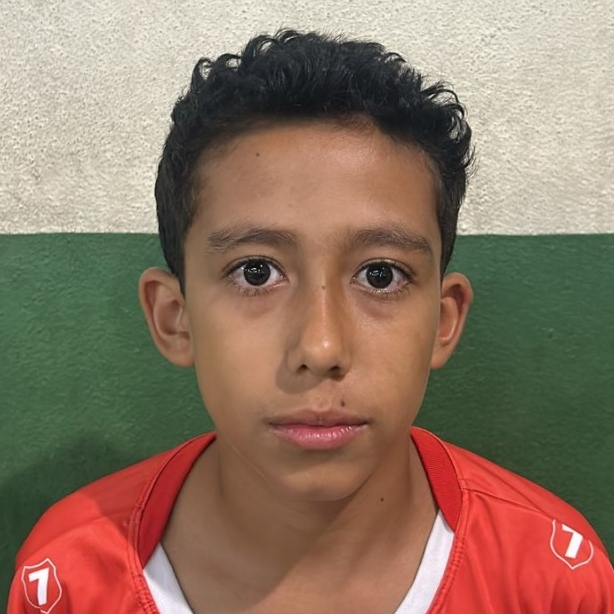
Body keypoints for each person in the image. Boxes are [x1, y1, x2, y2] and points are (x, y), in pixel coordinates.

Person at [7, 29, 613, 614]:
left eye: (381, 275)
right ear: (175, 319)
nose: (321, 347)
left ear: (443, 320)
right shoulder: (68, 583)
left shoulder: (553, 582)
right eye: (255, 273)